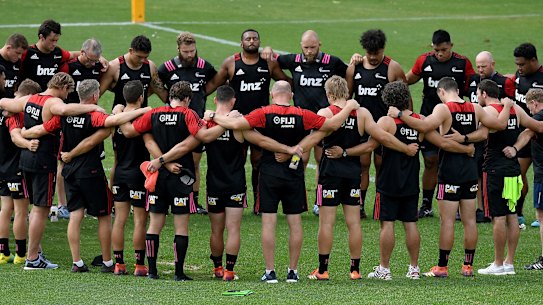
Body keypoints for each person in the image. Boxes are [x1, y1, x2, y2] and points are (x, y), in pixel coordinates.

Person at [211, 80, 359, 283]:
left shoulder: (263, 112)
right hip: (294, 173)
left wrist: (213, 115)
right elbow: (332, 125)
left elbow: (237, 125)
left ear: (272, 94)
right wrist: (350, 106)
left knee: (269, 222)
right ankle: (293, 272)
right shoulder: (303, 114)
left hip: (269, 173)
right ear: (291, 95)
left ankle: (270, 272)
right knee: (295, 222)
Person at [333, 81, 472, 280]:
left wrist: (345, 152)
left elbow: (369, 147)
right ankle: (413, 268)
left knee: (387, 224)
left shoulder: (386, 122)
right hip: (411, 181)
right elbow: (443, 142)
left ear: (387, 101)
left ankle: (385, 269)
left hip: (388, 180)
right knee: (410, 224)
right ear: (407, 98)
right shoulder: (420, 121)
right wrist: (467, 148)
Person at [388, 77, 512, 277]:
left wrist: (400, 113)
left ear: (441, 92)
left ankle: (442, 267)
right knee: (470, 221)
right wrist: (506, 106)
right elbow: (496, 125)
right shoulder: (475, 108)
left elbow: (424, 126)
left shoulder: (443, 109)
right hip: (471, 170)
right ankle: (467, 266)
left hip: (450, 171)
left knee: (447, 221)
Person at [22, 79, 150, 273]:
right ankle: (108, 261)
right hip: (90, 172)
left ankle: (77, 262)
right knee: (104, 216)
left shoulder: (64, 116)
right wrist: (142, 110)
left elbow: (43, 129)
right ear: (95, 95)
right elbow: (112, 122)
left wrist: (24, 133)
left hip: (69, 172)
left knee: (75, 215)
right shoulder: (94, 114)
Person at [303, 77, 417, 281]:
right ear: (346, 92)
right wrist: (406, 148)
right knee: (354, 223)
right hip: (353, 173)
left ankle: (322, 270)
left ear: (329, 95)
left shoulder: (325, 112)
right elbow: (381, 138)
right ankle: (355, 270)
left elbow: (315, 137)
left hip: (329, 173)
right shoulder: (362, 113)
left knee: (326, 223)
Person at [0, 72, 104, 270]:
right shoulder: (52, 102)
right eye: (68, 92)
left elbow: (6, 102)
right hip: (43, 160)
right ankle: (32, 259)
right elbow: (65, 110)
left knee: (32, 209)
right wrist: (92, 106)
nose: (67, 96)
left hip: (25, 160)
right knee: (40, 209)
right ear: (63, 88)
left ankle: (34, 254)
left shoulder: (29, 99)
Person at [119, 81, 202, 281]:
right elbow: (195, 139)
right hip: (181, 176)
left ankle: (153, 271)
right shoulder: (188, 114)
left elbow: (132, 132)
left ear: (169, 96)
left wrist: (118, 112)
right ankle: (179, 273)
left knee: (154, 224)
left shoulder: (154, 114)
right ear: (187, 99)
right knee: (181, 226)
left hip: (158, 178)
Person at [206, 29, 289, 215]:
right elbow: (213, 85)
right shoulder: (231, 63)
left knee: (258, 162)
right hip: (237, 122)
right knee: (238, 161)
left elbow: (286, 81)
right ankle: (233, 199)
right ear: (241, 42)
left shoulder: (268, 63)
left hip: (260, 122)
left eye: (255, 38)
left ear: (259, 41)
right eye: (248, 39)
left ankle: (258, 204)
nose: (252, 41)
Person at [271, 30, 348, 216]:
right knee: (299, 159)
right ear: (301, 45)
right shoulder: (294, 60)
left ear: (319, 44)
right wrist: (288, 82)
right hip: (301, 121)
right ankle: (296, 198)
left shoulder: (332, 62)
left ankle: (318, 201)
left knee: (322, 160)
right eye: (306, 47)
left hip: (323, 120)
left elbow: (350, 74)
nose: (309, 51)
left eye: (313, 47)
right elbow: (273, 63)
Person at [474, 80, 543, 275]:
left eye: (478, 93)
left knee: (498, 217)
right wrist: (515, 147)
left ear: (484, 94)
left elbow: (484, 133)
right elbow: (536, 127)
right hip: (514, 170)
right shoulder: (517, 109)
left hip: (495, 170)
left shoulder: (488, 112)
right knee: (512, 215)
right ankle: (509, 263)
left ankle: (498, 264)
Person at [405, 29, 475, 218]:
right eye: (437, 50)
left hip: (456, 122)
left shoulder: (462, 63)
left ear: (451, 45)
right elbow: (406, 79)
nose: (440, 54)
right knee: (430, 160)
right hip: (429, 120)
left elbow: (473, 88)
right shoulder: (424, 61)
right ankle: (426, 204)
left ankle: (460, 204)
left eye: (443, 49)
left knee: (456, 160)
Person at [346, 29, 407, 218]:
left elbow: (405, 98)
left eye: (376, 53)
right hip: (361, 126)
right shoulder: (354, 67)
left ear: (383, 49)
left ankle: (382, 204)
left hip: (384, 127)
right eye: (369, 53)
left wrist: (407, 121)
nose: (372, 57)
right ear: (364, 49)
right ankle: (361, 205)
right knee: (363, 165)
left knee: (382, 165)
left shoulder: (392, 67)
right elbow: (347, 96)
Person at [158, 32, 218, 215]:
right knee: (171, 160)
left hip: (197, 123)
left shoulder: (204, 66)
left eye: (192, 51)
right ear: (178, 49)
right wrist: (167, 100)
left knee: (194, 163)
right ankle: (168, 199)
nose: (190, 54)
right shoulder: (167, 68)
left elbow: (215, 80)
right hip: (174, 123)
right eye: (186, 51)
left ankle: (193, 201)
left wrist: (201, 95)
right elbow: (157, 84)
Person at [468, 51, 516, 223]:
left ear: (493, 64)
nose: (480, 69)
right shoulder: (473, 80)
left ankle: (505, 209)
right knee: (478, 172)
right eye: (478, 66)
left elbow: (510, 107)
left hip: (496, 136)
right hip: (482, 132)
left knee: (489, 172)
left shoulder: (504, 82)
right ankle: (481, 208)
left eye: (484, 66)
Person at [110, 80, 150, 276]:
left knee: (119, 220)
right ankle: (140, 265)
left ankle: (119, 264)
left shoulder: (117, 117)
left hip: (120, 174)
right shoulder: (144, 118)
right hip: (138, 175)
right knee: (140, 221)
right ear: (141, 97)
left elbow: (116, 156)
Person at [0, 79, 41, 265]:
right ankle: (21, 253)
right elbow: (17, 137)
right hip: (15, 168)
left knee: (5, 209)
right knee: (21, 212)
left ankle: (3, 252)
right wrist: (28, 142)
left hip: (2, 167)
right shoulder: (18, 114)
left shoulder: (4, 109)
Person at [503, 88, 543, 270]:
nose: (531, 112)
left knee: (541, 217)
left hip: (542, 177)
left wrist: (514, 149)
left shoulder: (539, 116)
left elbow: (528, 132)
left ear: (534, 103)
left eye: (530, 108)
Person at [510, 43, 543, 228]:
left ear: (533, 60)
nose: (519, 68)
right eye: (517, 64)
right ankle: (518, 213)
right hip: (522, 134)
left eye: (522, 64)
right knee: (518, 173)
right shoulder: (518, 77)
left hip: (539, 135)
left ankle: (541, 213)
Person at [100, 35, 168, 108]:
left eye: (145, 57)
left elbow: (161, 92)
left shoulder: (150, 66)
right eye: (139, 57)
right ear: (131, 51)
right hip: (121, 117)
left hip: (142, 117)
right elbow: (97, 94)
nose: (142, 60)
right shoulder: (114, 67)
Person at [0, 34, 29, 98]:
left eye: (21, 54)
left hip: (11, 105)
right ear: (8, 48)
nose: (20, 57)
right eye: (18, 53)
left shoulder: (17, 63)